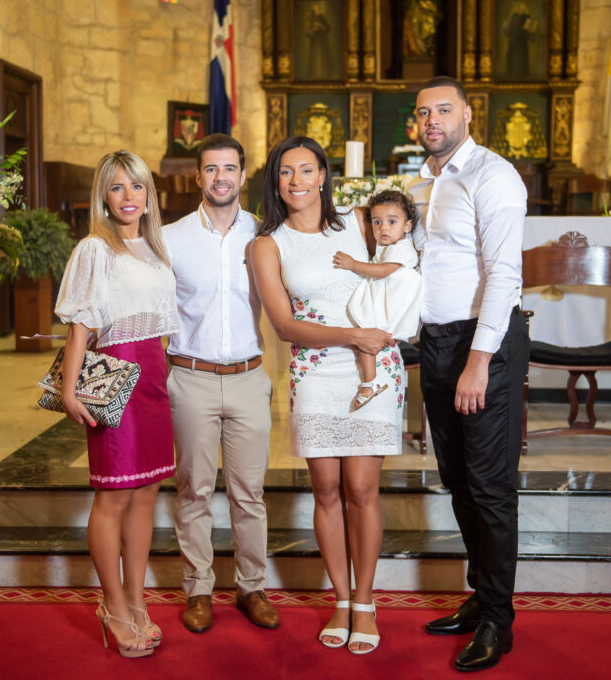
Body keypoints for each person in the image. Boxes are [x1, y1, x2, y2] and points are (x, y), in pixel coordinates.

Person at [250, 136, 397, 655]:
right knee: (328, 490)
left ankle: (365, 600)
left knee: (361, 488)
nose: (296, 181)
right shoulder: (268, 244)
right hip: (314, 369)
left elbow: (405, 263)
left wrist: (386, 326)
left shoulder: (359, 223)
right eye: (285, 172)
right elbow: (286, 326)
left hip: (372, 370)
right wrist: (349, 336)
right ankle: (340, 599)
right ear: (276, 181)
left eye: (306, 170)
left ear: (323, 176)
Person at [408, 77, 529, 672]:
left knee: (490, 487)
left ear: (468, 114)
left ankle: (499, 624)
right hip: (436, 344)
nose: (432, 120)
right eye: (424, 112)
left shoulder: (493, 176)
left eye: (443, 110)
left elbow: (503, 275)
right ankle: (481, 599)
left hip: (485, 345)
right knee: (457, 480)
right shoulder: (425, 184)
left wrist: (478, 361)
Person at [54, 150, 178, 659]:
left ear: (149, 195)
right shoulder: (94, 249)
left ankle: (135, 597)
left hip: (153, 373)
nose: (129, 197)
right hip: (115, 372)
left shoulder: (155, 250)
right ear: (103, 197)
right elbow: (81, 323)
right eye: (117, 188)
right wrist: (69, 388)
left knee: (146, 495)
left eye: (137, 187)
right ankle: (112, 605)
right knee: (113, 496)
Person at [162, 134, 278, 634]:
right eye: (211, 170)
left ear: (243, 174)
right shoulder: (170, 238)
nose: (221, 178)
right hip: (191, 378)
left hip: (250, 377)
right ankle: (200, 589)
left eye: (229, 168)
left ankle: (252, 586)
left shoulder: (265, 234)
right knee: (193, 491)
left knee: (249, 493)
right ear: (198, 177)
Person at [332, 189, 423, 410]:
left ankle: (369, 383)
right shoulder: (388, 245)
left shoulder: (402, 248)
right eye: (377, 222)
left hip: (392, 300)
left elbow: (382, 271)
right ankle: (371, 381)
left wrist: (353, 264)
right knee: (366, 334)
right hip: (385, 295)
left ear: (407, 226)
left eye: (392, 222)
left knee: (366, 334)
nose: (383, 228)